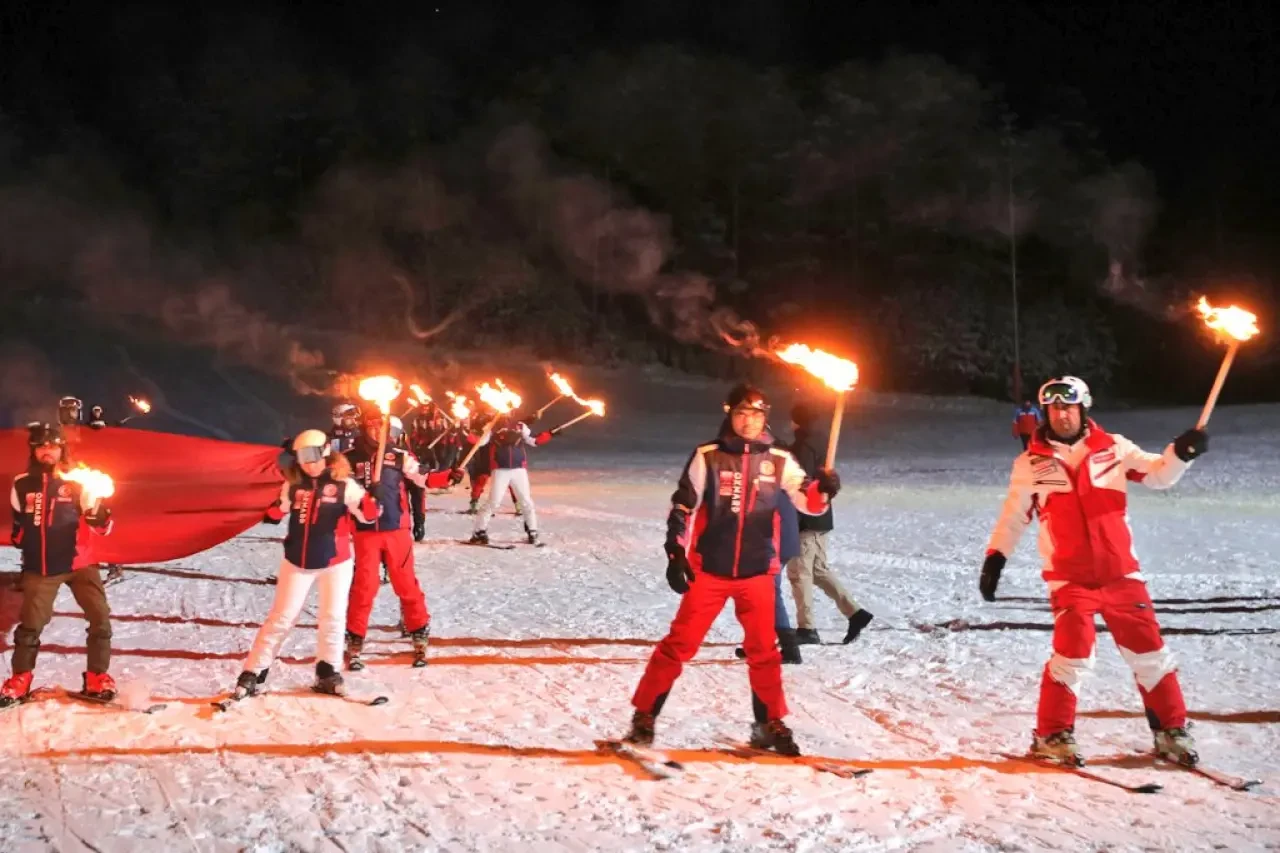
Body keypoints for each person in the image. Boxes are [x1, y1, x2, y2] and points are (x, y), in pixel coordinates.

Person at [982, 375, 1208, 767]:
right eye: (1054, 408)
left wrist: (1182, 453)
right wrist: (995, 559)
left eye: (1068, 407)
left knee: (1151, 654)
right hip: (1070, 579)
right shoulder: (1031, 462)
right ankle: (1052, 736)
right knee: (1073, 655)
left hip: (1121, 574)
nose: (1061, 415)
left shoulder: (1113, 448)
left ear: (1083, 408)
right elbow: (1015, 516)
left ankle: (1171, 731)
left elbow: (1157, 475)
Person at [623, 385, 841, 755]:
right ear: (729, 415)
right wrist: (675, 552)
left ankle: (768, 723)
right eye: (742, 414)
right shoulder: (707, 456)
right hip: (710, 569)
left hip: (757, 572)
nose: (749, 421)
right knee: (679, 646)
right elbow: (683, 505)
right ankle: (644, 717)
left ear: (765, 417)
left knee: (764, 652)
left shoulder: (779, 459)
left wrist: (825, 489)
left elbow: (810, 502)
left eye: (757, 415)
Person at [233, 430, 378, 699]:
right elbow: (278, 510)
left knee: (332, 617)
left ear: (325, 452)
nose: (308, 463)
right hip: (297, 561)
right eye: (301, 457)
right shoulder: (293, 485)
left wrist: (371, 502)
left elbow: (368, 517)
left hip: (335, 561)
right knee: (281, 617)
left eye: (312, 455)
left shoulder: (346, 485)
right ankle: (254, 671)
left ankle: (328, 671)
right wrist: (265, 510)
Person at [0, 424, 115, 706]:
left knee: (100, 618)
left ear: (62, 448)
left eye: (52, 446)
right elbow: (18, 525)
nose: (47, 451)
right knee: (31, 625)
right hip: (42, 566)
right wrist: (22, 540)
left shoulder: (79, 482)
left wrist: (99, 515)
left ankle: (96, 677)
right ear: (34, 451)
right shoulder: (22, 484)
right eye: (41, 446)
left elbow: (103, 527)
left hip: (80, 562)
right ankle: (20, 679)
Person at [344, 411, 461, 670]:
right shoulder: (349, 459)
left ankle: (418, 628)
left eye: (385, 430)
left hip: (396, 529)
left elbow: (423, 478)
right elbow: (335, 490)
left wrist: (449, 476)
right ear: (366, 428)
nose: (380, 434)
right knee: (364, 586)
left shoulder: (399, 457)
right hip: (364, 532)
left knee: (405, 582)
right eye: (374, 428)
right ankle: (354, 637)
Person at [786, 403, 873, 645]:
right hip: (822, 517)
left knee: (799, 572)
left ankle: (807, 629)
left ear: (796, 422)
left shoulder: (803, 446)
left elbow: (802, 482)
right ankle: (855, 613)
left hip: (807, 518)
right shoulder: (821, 442)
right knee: (818, 571)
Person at [468, 412, 551, 546]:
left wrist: (550, 433)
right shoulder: (491, 426)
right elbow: (479, 442)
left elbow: (534, 441)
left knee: (526, 501)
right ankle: (479, 531)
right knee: (493, 502)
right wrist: (474, 430)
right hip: (500, 469)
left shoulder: (520, 426)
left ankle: (532, 531)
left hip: (519, 470)